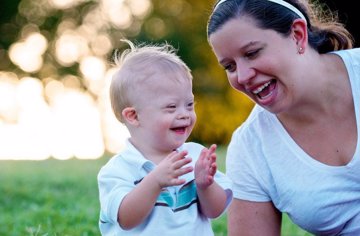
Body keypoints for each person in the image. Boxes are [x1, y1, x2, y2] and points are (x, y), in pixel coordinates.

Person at [207, 0, 360, 235]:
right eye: (229, 66)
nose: (243, 76)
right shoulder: (251, 148)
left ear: (298, 35)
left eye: (252, 53)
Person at [97, 40, 233, 235]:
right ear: (134, 116)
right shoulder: (118, 170)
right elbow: (126, 219)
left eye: (189, 105)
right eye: (171, 107)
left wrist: (205, 185)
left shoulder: (194, 156)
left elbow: (215, 211)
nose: (185, 114)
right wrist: (155, 181)